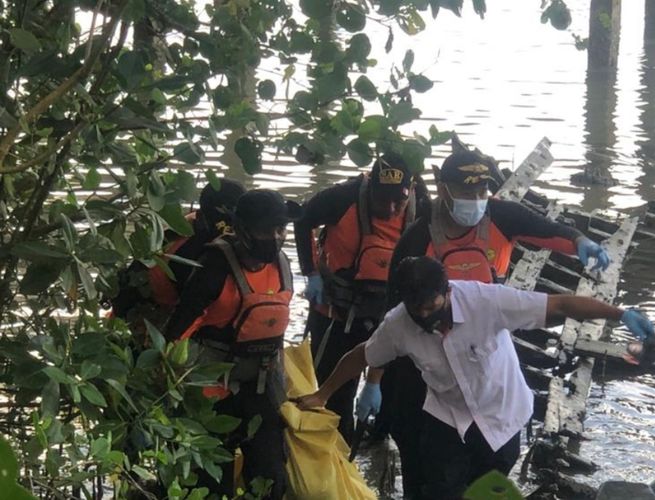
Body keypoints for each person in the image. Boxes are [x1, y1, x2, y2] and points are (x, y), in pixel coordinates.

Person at [295, 256, 655, 499]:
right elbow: (361, 355)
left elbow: (559, 305)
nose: (424, 314)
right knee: (438, 489)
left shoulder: (488, 301)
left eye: (431, 306)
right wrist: (323, 395)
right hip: (447, 418)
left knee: (486, 489)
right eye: (415, 308)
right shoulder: (399, 324)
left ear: (447, 292)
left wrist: (619, 314)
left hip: (503, 417)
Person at [372, 147, 611, 497]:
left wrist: (580, 241)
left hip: (479, 341)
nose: (477, 199)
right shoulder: (418, 239)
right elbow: (393, 319)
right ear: (444, 189)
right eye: (467, 193)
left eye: (482, 191)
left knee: (490, 459)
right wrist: (376, 383)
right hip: (425, 357)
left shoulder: (500, 217)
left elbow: (547, 231)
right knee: (421, 457)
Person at [164, 189, 302, 499]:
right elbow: (176, 335)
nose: (275, 237)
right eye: (266, 230)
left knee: (270, 479)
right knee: (211, 485)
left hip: (261, 386)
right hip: (210, 391)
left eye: (280, 229)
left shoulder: (281, 265)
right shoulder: (213, 269)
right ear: (242, 230)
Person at [293, 152, 430, 442]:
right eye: (383, 200)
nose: (391, 208)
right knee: (332, 395)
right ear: (370, 188)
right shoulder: (342, 198)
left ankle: (375, 440)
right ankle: (335, 455)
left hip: (391, 314)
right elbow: (302, 219)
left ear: (410, 190)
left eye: (399, 201)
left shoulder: (422, 208)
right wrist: (311, 272)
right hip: (337, 312)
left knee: (390, 398)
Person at [109, 179, 245, 332]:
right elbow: (188, 310)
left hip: (134, 304)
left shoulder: (194, 223)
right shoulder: (193, 248)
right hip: (143, 317)